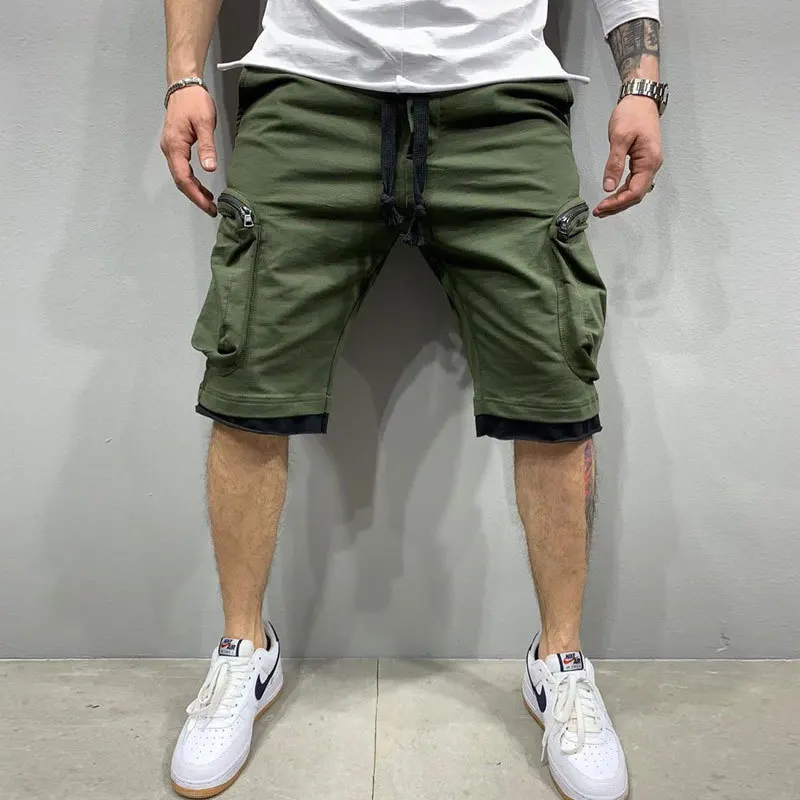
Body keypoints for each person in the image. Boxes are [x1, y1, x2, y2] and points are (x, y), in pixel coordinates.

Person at [161, 1, 666, 798]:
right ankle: (243, 653)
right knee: (249, 381)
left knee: (555, 390)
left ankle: (560, 664)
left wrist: (642, 82)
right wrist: (183, 74)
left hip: (502, 98)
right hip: (308, 90)